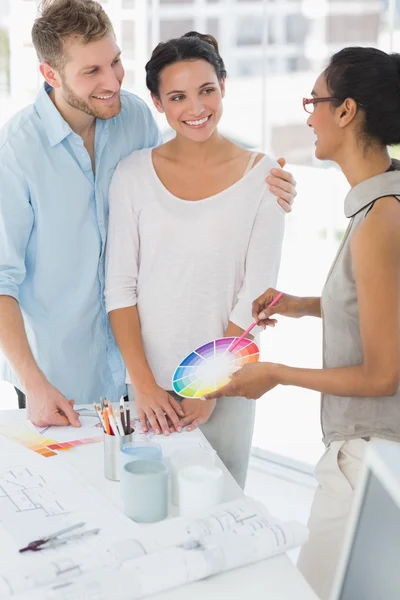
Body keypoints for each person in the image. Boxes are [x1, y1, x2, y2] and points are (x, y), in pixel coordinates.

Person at [0, 0, 296, 428]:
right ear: (50, 74)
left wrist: (263, 180)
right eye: (92, 72)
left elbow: (181, 168)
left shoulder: (133, 116)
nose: (112, 82)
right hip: (59, 375)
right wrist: (34, 382)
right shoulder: (17, 152)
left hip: (142, 367)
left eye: (115, 62)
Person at [205, 46, 400, 598]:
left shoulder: (383, 220)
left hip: (368, 455)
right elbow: (381, 307)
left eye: (314, 100)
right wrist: (303, 304)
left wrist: (277, 373)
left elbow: (383, 374)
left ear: (346, 112)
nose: (308, 113)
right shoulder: (381, 203)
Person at [105, 32, 286, 488]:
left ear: (223, 85)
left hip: (225, 386)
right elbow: (120, 288)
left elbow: (256, 296)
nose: (196, 107)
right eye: (178, 96)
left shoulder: (263, 176)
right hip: (147, 389)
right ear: (158, 103)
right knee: (147, 507)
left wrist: (208, 387)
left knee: (220, 515)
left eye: (206, 89)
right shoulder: (131, 174)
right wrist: (143, 385)